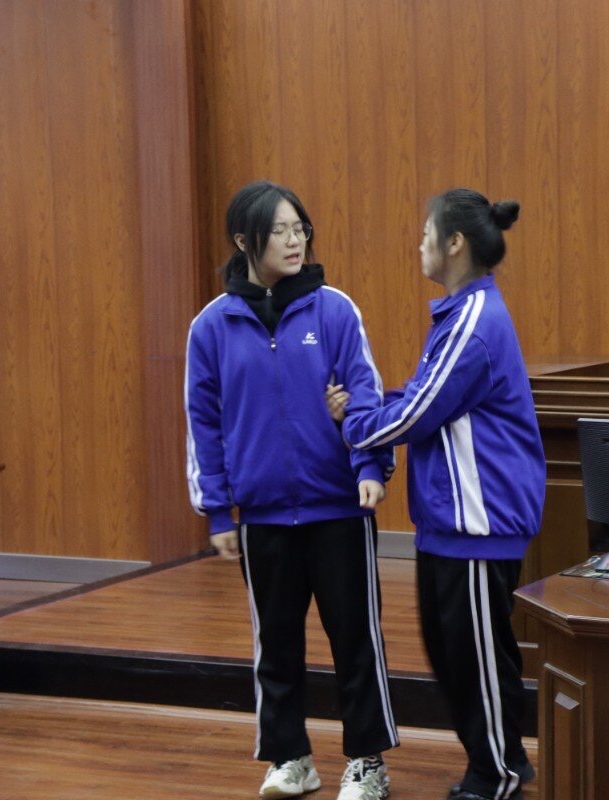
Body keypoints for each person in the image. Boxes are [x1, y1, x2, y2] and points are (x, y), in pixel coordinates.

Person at [184, 180, 398, 800]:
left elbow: (365, 393)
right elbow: (204, 424)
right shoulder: (212, 326)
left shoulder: (335, 310)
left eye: (299, 227)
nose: (293, 239)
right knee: (274, 646)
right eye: (278, 230)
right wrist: (217, 512)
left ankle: (367, 763)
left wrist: (369, 467)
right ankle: (291, 758)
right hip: (263, 516)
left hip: (339, 509)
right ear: (244, 240)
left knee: (356, 640)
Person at [338, 188, 544, 800]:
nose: (420, 243)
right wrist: (369, 413)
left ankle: (498, 774)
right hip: (449, 525)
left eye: (427, 233)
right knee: (454, 654)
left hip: (479, 526)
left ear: (455, 243)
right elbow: (416, 397)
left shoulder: (476, 322)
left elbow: (416, 414)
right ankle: (497, 762)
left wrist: (354, 424)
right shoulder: (458, 316)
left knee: (476, 659)